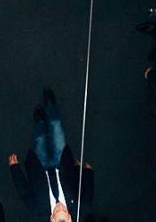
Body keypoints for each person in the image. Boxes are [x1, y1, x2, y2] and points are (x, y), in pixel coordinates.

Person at [9, 90, 94, 221]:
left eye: (56, 210)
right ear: (70, 217)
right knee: (56, 128)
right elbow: (86, 191)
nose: (60, 206)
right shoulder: (80, 206)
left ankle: (40, 121)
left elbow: (24, 192)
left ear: (51, 218)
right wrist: (88, 172)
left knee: (40, 138)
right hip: (62, 163)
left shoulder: (37, 208)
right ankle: (50, 106)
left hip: (40, 167)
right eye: (64, 210)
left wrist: (15, 169)